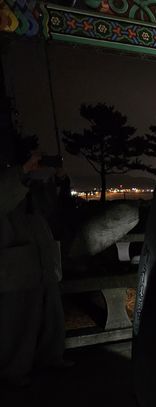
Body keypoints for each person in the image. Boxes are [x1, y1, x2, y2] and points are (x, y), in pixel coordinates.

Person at [0, 154, 66, 386]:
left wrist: (55, 180)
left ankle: (50, 357)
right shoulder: (13, 179)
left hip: (41, 254)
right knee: (17, 320)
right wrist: (21, 174)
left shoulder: (30, 183)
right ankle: (12, 370)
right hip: (15, 257)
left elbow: (49, 208)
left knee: (49, 311)